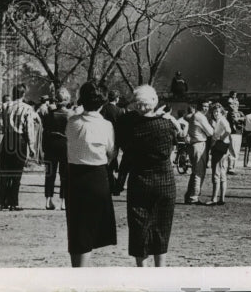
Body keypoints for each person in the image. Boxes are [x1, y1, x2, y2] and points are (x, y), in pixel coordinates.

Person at [116, 85, 177, 266]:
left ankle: (141, 269)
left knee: (139, 226)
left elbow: (126, 156)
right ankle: (160, 268)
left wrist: (119, 182)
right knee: (162, 226)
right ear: (155, 101)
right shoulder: (167, 124)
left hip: (140, 181)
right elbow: (177, 141)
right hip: (165, 181)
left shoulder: (130, 125)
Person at [65, 82, 117, 266]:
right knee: (90, 227)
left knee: (76, 227)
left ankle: (77, 269)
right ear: (102, 103)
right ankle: (82, 270)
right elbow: (111, 153)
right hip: (97, 176)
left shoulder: (72, 122)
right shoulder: (106, 125)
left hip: (75, 177)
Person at [0, 84, 38, 211]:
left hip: (7, 139)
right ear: (23, 94)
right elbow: (29, 128)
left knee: (4, 172)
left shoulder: (4, 106)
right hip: (20, 141)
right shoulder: (27, 108)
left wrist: (1, 127)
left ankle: (0, 202)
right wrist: (31, 146)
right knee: (16, 173)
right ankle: (13, 202)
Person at [42, 87, 72, 210]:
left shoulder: (49, 114)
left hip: (50, 144)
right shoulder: (70, 115)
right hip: (65, 144)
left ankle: (48, 200)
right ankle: (63, 201)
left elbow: (45, 130)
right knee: (64, 174)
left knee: (50, 173)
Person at [184, 99, 213, 204]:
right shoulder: (200, 117)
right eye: (204, 106)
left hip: (194, 144)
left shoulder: (194, 115)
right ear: (199, 106)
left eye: (207, 106)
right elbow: (210, 132)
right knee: (199, 172)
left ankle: (189, 195)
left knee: (195, 172)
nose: (206, 108)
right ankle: (194, 197)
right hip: (199, 144)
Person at [208, 102, 232, 205]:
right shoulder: (221, 120)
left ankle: (214, 198)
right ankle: (221, 198)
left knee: (216, 173)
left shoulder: (221, 120)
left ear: (221, 112)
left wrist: (220, 138)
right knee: (222, 173)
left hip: (219, 147)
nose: (216, 114)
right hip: (224, 148)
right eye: (214, 112)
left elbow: (228, 130)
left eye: (217, 112)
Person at [226, 95, 245, 172]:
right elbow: (236, 120)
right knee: (232, 150)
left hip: (239, 133)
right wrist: (240, 118)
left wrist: (240, 118)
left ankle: (233, 167)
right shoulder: (230, 113)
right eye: (233, 104)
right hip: (233, 133)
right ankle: (230, 167)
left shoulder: (239, 112)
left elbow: (244, 118)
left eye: (237, 104)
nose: (235, 106)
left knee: (236, 150)